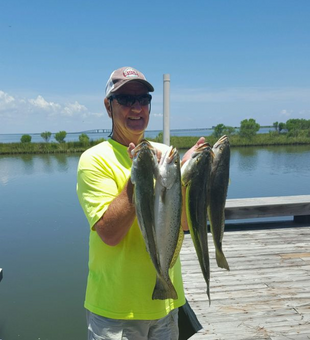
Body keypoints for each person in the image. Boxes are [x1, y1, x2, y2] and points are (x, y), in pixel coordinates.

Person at [76, 66, 205, 340]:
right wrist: (138, 180)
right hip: (116, 312)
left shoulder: (165, 154)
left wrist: (185, 176)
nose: (136, 107)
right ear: (108, 107)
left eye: (143, 99)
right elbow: (109, 234)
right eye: (125, 99)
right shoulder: (94, 160)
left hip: (165, 303)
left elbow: (183, 224)